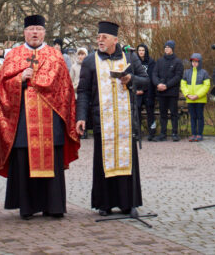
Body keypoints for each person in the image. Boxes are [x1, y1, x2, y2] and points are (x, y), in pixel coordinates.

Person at [0, 15, 79, 220]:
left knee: (52, 161)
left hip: (51, 119)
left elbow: (65, 89)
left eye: (38, 29)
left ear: (44, 32)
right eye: (31, 29)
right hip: (23, 120)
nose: (35, 33)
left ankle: (54, 206)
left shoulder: (54, 56)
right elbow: (1, 86)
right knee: (24, 161)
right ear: (24, 32)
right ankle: (27, 207)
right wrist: (19, 80)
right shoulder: (14, 55)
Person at [75, 21, 148, 216]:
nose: (100, 41)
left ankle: (128, 203)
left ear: (115, 40)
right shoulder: (91, 61)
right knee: (103, 161)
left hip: (126, 120)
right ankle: (104, 204)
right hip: (103, 120)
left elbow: (147, 81)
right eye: (98, 37)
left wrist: (131, 79)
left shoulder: (130, 57)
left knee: (127, 160)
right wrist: (81, 116)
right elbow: (83, 91)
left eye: (104, 38)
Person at [151, 40, 183, 142]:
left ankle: (174, 133)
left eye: (168, 47)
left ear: (172, 49)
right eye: (165, 47)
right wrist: (158, 84)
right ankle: (163, 134)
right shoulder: (159, 61)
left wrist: (166, 85)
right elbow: (154, 74)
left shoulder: (178, 62)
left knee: (173, 113)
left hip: (172, 92)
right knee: (163, 113)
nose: (166, 49)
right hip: (161, 92)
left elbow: (178, 76)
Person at [180, 53, 211, 142]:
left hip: (200, 99)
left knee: (200, 116)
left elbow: (206, 86)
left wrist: (197, 95)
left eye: (196, 62)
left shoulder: (204, 72)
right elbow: (183, 84)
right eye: (193, 61)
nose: (194, 63)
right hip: (190, 99)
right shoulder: (186, 72)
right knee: (192, 116)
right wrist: (187, 94)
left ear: (200, 62)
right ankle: (193, 134)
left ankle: (199, 134)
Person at [133, 44, 156, 141]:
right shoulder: (134, 62)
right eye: (139, 50)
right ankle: (137, 133)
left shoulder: (151, 62)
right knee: (136, 112)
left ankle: (152, 133)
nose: (141, 52)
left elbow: (152, 77)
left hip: (148, 91)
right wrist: (136, 90)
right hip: (137, 91)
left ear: (146, 51)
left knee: (150, 112)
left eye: (143, 50)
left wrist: (145, 89)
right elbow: (132, 76)